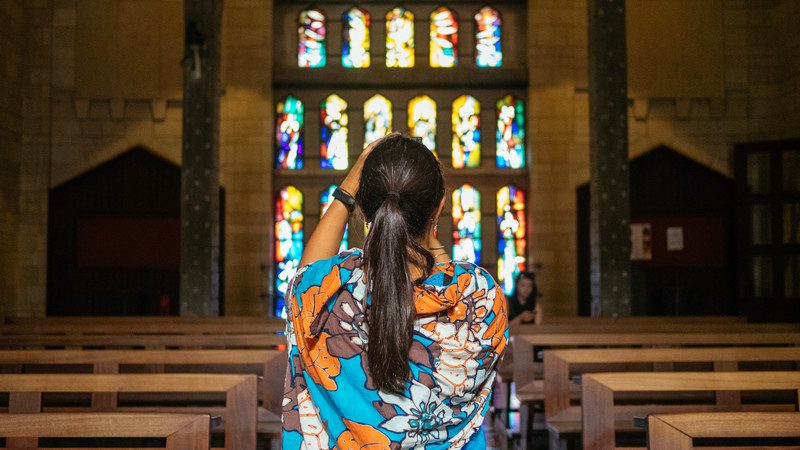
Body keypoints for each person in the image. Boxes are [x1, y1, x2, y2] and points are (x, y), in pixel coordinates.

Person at [281, 134, 508, 449]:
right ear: (440, 206)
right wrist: (424, 232)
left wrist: (347, 191)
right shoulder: (479, 297)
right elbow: (447, 278)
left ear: (363, 207)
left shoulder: (330, 294)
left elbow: (306, 281)